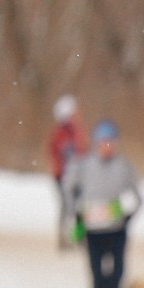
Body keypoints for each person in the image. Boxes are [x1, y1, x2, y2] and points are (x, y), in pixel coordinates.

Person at [63, 120, 143, 288]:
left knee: (116, 275)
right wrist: (77, 214)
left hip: (117, 231)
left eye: (110, 142)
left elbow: (138, 197)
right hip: (93, 232)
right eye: (103, 142)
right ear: (96, 144)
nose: (107, 147)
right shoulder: (84, 166)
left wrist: (127, 215)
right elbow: (69, 189)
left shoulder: (124, 167)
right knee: (98, 276)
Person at [46, 95, 89, 251]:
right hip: (63, 176)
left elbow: (83, 152)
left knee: (80, 207)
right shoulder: (60, 133)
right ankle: (64, 238)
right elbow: (58, 154)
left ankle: (79, 237)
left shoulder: (77, 131)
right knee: (66, 207)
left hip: (77, 176)